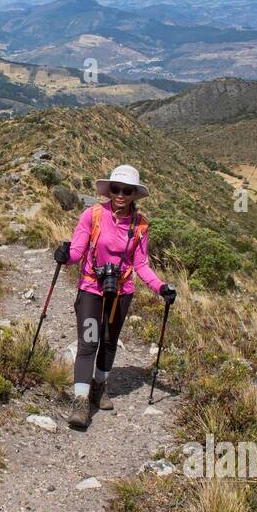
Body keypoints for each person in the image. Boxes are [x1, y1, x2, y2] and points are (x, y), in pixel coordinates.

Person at [54, 165, 176, 429]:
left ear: (134, 194)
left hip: (121, 292)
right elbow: (77, 250)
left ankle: (99, 386)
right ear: (109, 190)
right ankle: (81, 401)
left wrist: (161, 287)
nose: (120, 194)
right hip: (90, 288)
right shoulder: (93, 215)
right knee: (88, 342)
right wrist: (65, 257)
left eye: (127, 190)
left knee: (109, 342)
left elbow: (141, 264)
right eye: (116, 189)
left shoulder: (141, 225)